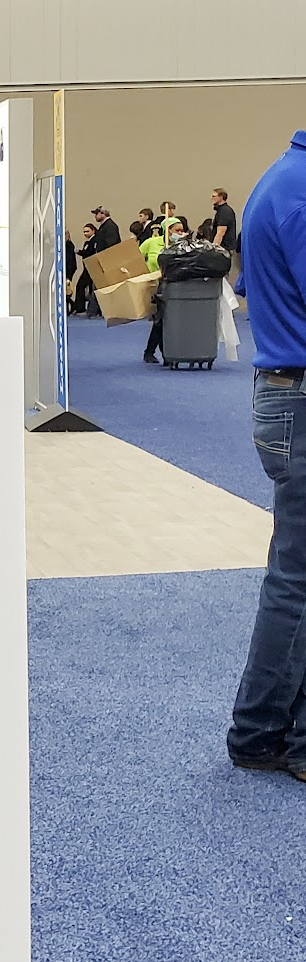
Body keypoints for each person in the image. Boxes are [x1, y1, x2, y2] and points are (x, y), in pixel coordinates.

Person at [227, 130, 306, 783]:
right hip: (300, 396)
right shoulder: (300, 190)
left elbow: (254, 285)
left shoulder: (276, 180)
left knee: (293, 575)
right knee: (297, 579)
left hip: (282, 394)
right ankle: (284, 739)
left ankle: (260, 731)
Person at [140, 217, 187, 363]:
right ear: (168, 230)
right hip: (157, 286)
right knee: (160, 320)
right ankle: (152, 352)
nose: (180, 233)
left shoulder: (184, 246)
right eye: (177, 230)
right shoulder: (151, 243)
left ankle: (167, 353)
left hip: (176, 286)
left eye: (181, 230)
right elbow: (136, 259)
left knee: (171, 321)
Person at [72, 222, 98, 315]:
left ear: (93, 231)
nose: (85, 233)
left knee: (82, 286)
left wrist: (80, 252)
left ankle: (82, 308)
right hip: (86, 268)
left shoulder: (94, 241)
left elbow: (90, 253)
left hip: (91, 268)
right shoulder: (87, 242)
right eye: (84, 232)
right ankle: (82, 307)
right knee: (82, 286)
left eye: (87, 231)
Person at [211, 187, 238, 254]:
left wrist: (214, 250)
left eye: (214, 196)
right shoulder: (222, 211)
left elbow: (220, 232)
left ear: (221, 197)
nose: (211, 198)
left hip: (224, 249)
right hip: (223, 248)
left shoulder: (224, 212)